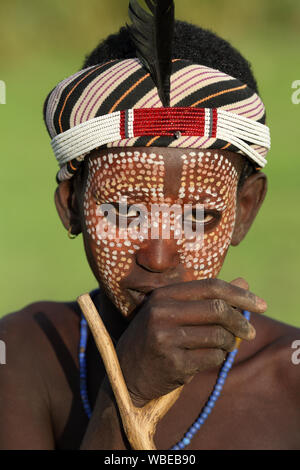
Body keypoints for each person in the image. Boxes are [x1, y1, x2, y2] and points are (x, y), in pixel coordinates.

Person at [1, 2, 299, 450]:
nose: (158, 257)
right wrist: (130, 395)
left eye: (197, 215)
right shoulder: (23, 355)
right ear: (72, 207)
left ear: (245, 208)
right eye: (123, 212)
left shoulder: (289, 380)